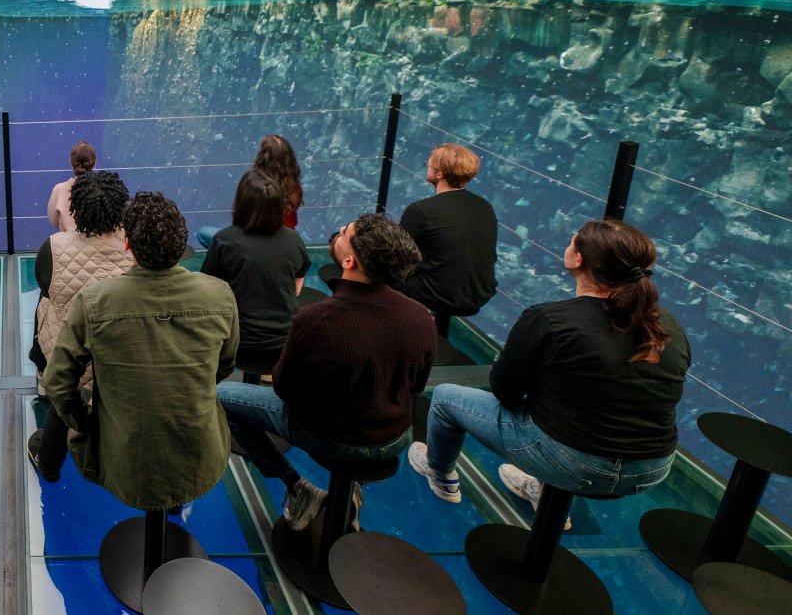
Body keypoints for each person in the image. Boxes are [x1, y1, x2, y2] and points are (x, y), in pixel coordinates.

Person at [409, 219, 690, 519]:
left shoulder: (549, 319)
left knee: (444, 397)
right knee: (565, 411)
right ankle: (542, 488)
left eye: (572, 242)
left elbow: (504, 390)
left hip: (575, 464)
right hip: (652, 469)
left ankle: (440, 474)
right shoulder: (667, 323)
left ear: (578, 259)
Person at [218, 212, 434, 530]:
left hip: (335, 438)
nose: (340, 230)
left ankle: (296, 485)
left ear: (349, 262)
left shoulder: (314, 321)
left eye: (345, 232)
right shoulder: (421, 318)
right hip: (395, 438)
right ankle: (352, 488)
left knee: (220, 396)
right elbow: (416, 385)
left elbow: (284, 388)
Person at [37, 192, 238, 510]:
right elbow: (223, 365)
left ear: (127, 244)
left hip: (123, 462)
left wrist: (84, 421)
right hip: (200, 456)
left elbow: (58, 382)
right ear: (181, 242)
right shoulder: (220, 296)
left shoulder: (94, 303)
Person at [27, 170, 133, 478]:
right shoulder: (134, 247)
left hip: (68, 354)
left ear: (77, 208)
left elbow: (45, 289)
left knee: (64, 403)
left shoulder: (53, 247)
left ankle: (48, 463)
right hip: (118, 357)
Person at [200, 171, 311, 374]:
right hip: (285, 346)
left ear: (242, 203)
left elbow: (207, 287)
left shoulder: (225, 240)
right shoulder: (294, 239)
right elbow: (299, 278)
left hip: (239, 346)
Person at [393, 143, 498, 337]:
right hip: (477, 294)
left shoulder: (421, 210)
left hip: (437, 295)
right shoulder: (484, 207)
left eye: (429, 164)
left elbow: (397, 257)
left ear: (440, 173)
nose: (427, 167)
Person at [197, 133, 305, 247]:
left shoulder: (252, 185)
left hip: (251, 243)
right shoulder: (295, 188)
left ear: (262, 157)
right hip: (284, 243)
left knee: (203, 232)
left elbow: (240, 224)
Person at [47, 140, 96, 232]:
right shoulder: (103, 189)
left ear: (71, 162)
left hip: (67, 245)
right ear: (94, 163)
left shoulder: (59, 190)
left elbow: (54, 220)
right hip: (97, 244)